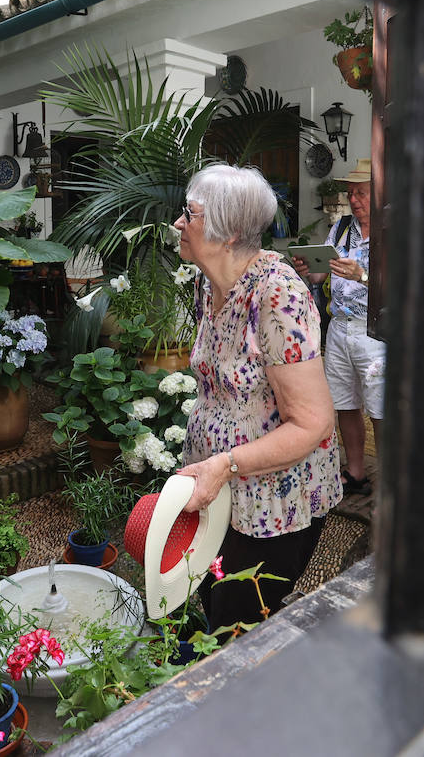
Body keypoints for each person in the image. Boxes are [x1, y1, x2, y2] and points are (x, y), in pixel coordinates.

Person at [174, 164, 341, 630]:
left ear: (228, 234)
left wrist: (225, 464)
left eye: (190, 214)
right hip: (222, 490)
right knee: (212, 601)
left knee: (237, 624)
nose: (179, 224)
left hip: (272, 501)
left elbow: (313, 423)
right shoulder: (208, 284)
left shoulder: (277, 294)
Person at [290, 158, 383, 495]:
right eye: (351, 193)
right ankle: (356, 471)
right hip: (339, 328)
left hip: (376, 332)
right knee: (345, 403)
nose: (353, 199)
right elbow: (320, 274)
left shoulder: (395, 231)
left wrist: (363, 276)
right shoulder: (342, 228)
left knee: (380, 408)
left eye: (360, 193)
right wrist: (306, 267)